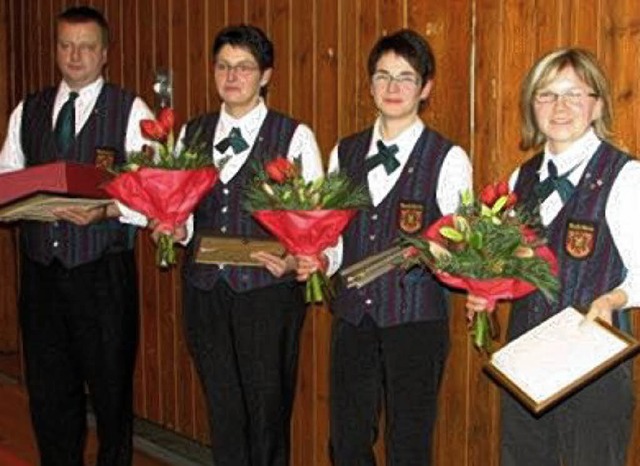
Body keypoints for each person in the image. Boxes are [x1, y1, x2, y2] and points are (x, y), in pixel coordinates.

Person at [298, 29, 472, 465]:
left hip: (415, 320)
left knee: (409, 443)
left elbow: (462, 247)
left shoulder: (449, 158)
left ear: (426, 87)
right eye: (383, 76)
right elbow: (335, 235)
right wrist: (321, 258)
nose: (393, 88)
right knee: (347, 439)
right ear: (370, 83)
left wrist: (440, 257)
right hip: (353, 315)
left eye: (406, 77)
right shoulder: (345, 152)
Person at [466, 48, 640, 466]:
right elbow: (506, 264)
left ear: (596, 105)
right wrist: (484, 294)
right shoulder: (519, 178)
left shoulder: (626, 176)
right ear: (532, 105)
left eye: (574, 94)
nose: (560, 107)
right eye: (547, 95)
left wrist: (612, 300)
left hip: (594, 366)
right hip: (526, 363)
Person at [162, 24, 323, 466]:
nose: (232, 77)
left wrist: (294, 259)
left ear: (266, 75)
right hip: (205, 291)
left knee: (268, 413)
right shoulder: (191, 134)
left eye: (244, 67)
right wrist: (179, 231)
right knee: (224, 413)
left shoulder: (294, 136)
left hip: (267, 295)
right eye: (223, 66)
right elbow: (185, 213)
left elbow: (316, 222)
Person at [0, 6, 153, 466]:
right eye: (66, 45)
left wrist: (107, 209)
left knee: (110, 397)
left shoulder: (131, 110)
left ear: (105, 54)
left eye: (86, 47)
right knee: (49, 393)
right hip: (42, 276)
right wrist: (21, 205)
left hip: (102, 274)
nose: (75, 56)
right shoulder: (28, 110)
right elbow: (7, 176)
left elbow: (154, 193)